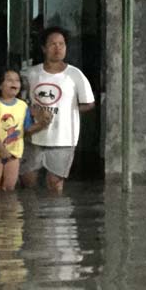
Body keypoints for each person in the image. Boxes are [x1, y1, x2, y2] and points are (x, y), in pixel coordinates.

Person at [20, 26, 95, 193]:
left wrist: (67, 111)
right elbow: (19, 102)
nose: (58, 48)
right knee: (27, 180)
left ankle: (55, 217)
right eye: (53, 44)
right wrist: (34, 112)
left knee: (54, 184)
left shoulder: (75, 75)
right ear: (43, 48)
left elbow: (89, 103)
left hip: (63, 137)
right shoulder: (30, 74)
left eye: (62, 44)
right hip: (33, 135)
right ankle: (31, 217)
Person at [0, 70, 51, 191]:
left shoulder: (22, 106)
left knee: (9, 187)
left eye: (17, 80)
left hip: (14, 152)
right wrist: (2, 149)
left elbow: (26, 129)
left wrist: (42, 124)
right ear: (0, 85)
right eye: (9, 80)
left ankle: (8, 210)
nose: (14, 82)